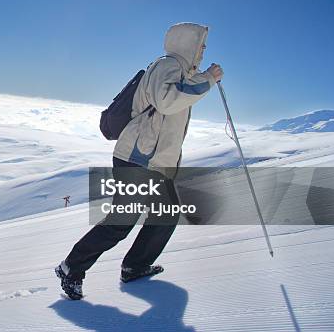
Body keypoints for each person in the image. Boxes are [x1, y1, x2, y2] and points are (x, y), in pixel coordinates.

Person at [56, 22, 224, 299]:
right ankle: (71, 267)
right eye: (201, 44)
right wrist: (208, 79)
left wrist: (202, 78)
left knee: (166, 215)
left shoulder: (181, 71)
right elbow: (168, 102)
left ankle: (135, 266)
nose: (204, 50)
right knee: (121, 222)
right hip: (138, 159)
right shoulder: (168, 65)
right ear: (187, 43)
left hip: (154, 162)